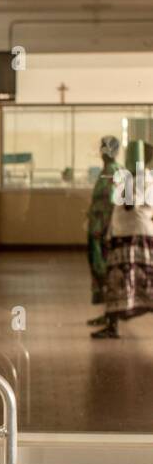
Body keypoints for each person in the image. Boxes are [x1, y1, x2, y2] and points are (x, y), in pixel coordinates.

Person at [93, 142, 153, 340]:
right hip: (141, 235)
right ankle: (112, 324)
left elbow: (128, 205)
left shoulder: (136, 178)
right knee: (144, 283)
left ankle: (112, 327)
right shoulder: (148, 178)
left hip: (129, 238)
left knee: (119, 281)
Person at [86, 136, 120, 324]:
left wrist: (107, 229)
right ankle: (107, 315)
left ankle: (111, 318)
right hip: (97, 229)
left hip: (105, 232)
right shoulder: (106, 172)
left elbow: (115, 203)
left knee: (106, 272)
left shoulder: (114, 172)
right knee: (100, 272)